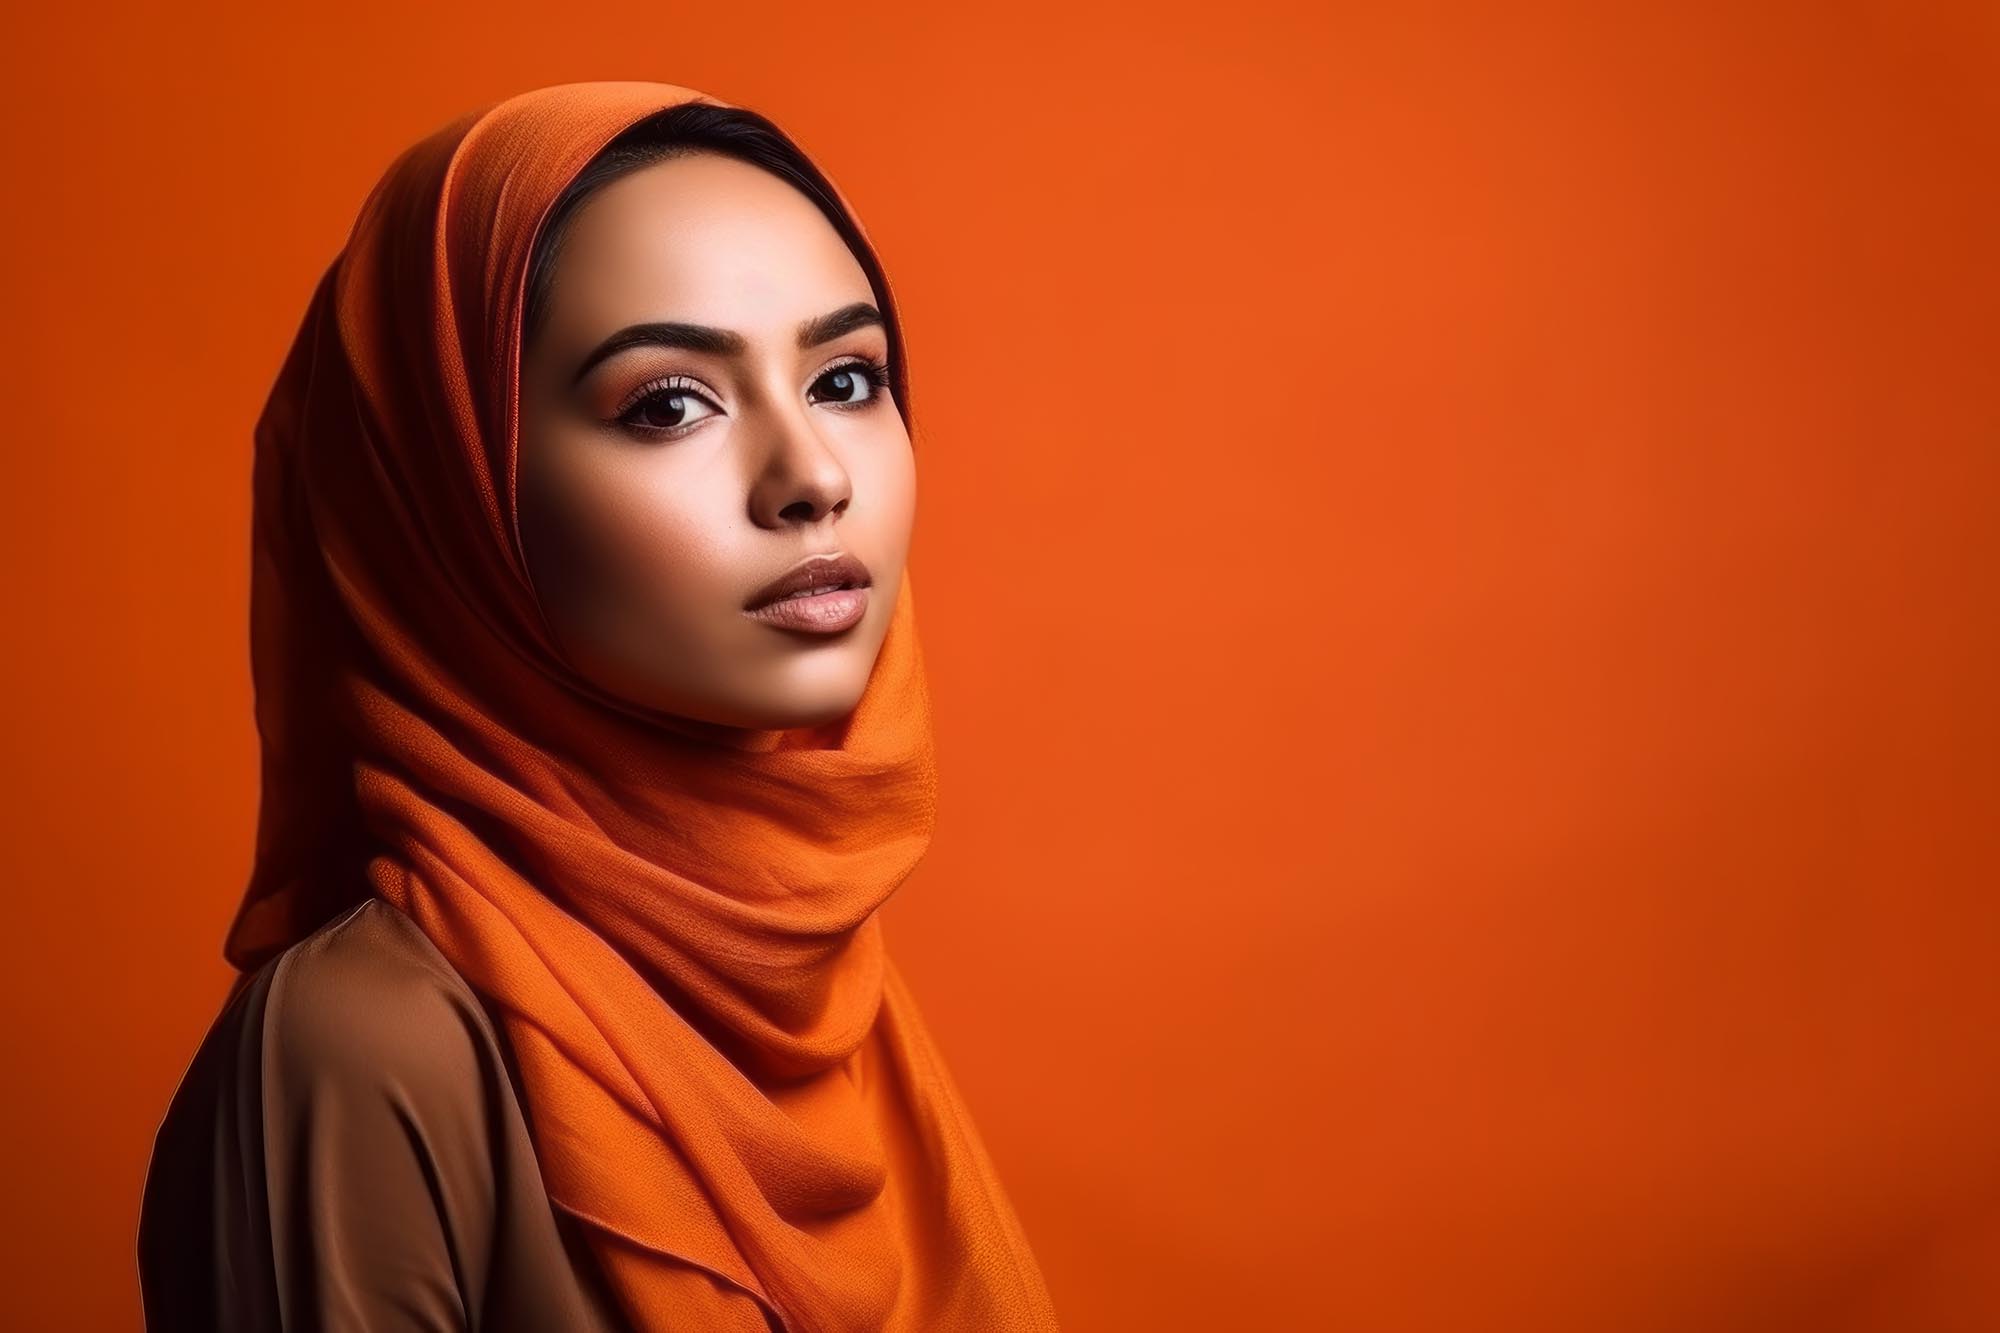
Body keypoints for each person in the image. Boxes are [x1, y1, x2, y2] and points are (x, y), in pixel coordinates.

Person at [136, 80, 1062, 1333]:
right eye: (669, 403)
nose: (810, 478)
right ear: (450, 489)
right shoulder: (369, 1043)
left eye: (845, 379)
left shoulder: (800, 973)